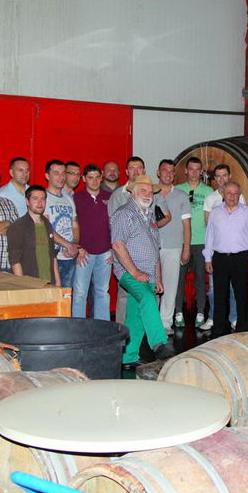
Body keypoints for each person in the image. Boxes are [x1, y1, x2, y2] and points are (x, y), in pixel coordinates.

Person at [110, 175, 175, 368]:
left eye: (150, 192)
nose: (148, 195)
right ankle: (159, 343)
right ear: (133, 192)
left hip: (149, 274)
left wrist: (158, 278)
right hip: (129, 272)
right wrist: (135, 272)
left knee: (135, 315)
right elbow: (117, 245)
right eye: (143, 191)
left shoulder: (150, 216)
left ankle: (128, 357)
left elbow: (155, 249)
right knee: (147, 298)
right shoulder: (124, 213)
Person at [204, 181, 248, 337]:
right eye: (229, 193)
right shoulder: (215, 212)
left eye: (235, 193)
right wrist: (207, 258)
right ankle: (219, 329)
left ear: (239, 194)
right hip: (219, 258)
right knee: (219, 295)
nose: (232, 196)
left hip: (241, 258)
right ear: (223, 194)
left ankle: (244, 328)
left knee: (241, 294)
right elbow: (209, 236)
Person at [201, 164, 246, 331]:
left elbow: (243, 223)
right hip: (217, 251)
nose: (222, 179)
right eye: (218, 176)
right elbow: (209, 226)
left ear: (230, 175)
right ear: (215, 178)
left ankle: (234, 317)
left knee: (234, 288)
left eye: (224, 175)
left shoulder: (239, 197)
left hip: (235, 251)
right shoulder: (210, 198)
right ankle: (213, 317)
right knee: (214, 289)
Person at [175, 157, 214, 329]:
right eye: (191, 169)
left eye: (198, 169)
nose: (194, 172)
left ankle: (200, 312)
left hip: (201, 241)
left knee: (200, 279)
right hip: (182, 241)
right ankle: (178, 312)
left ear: (201, 172)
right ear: (186, 170)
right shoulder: (178, 189)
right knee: (179, 279)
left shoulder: (208, 191)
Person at [107, 156, 146, 324]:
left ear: (144, 170)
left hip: (145, 252)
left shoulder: (150, 194)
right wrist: (114, 250)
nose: (136, 172)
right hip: (125, 251)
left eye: (139, 168)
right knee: (125, 292)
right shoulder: (118, 195)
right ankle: (122, 329)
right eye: (132, 168)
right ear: (126, 171)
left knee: (146, 290)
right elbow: (112, 225)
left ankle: (143, 326)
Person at [155, 159, 191, 334]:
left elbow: (186, 225)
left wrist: (186, 248)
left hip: (173, 246)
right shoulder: (149, 193)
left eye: (171, 171)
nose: (168, 174)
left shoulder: (182, 196)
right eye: (165, 170)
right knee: (151, 286)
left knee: (170, 286)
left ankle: (165, 322)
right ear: (158, 172)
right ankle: (151, 321)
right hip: (150, 246)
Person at [72, 164, 112, 320]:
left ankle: (103, 325)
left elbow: (116, 224)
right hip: (84, 253)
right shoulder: (76, 198)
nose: (94, 181)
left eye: (97, 177)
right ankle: (78, 326)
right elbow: (72, 226)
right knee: (80, 292)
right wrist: (78, 247)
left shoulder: (109, 197)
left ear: (101, 178)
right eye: (90, 178)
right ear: (84, 179)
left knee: (102, 292)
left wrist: (114, 249)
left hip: (105, 252)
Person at [6, 185, 60, 286]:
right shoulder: (18, 226)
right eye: (35, 199)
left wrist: (58, 282)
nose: (39, 203)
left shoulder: (47, 224)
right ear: (27, 201)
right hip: (30, 284)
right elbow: (14, 260)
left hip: (50, 283)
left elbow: (53, 255)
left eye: (42, 199)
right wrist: (22, 285)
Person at [43, 159, 80, 288]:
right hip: (52, 258)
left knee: (67, 295)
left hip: (69, 257)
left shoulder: (68, 199)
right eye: (56, 173)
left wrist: (74, 246)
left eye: (63, 173)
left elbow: (75, 224)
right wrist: (68, 245)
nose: (61, 177)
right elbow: (45, 228)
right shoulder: (43, 198)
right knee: (52, 294)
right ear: (47, 176)